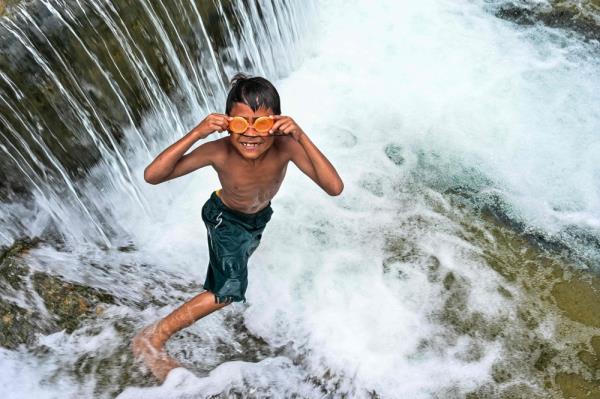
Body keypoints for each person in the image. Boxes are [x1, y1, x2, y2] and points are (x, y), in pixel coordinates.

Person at [132, 73, 344, 382]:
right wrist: (198, 132)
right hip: (224, 217)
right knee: (227, 291)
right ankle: (152, 338)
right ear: (227, 123)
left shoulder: (286, 147)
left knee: (229, 274)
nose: (251, 134)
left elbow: (334, 187)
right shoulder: (219, 151)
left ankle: (215, 285)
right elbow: (153, 175)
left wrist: (301, 136)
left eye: (261, 123)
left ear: (277, 123)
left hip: (258, 218)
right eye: (240, 123)